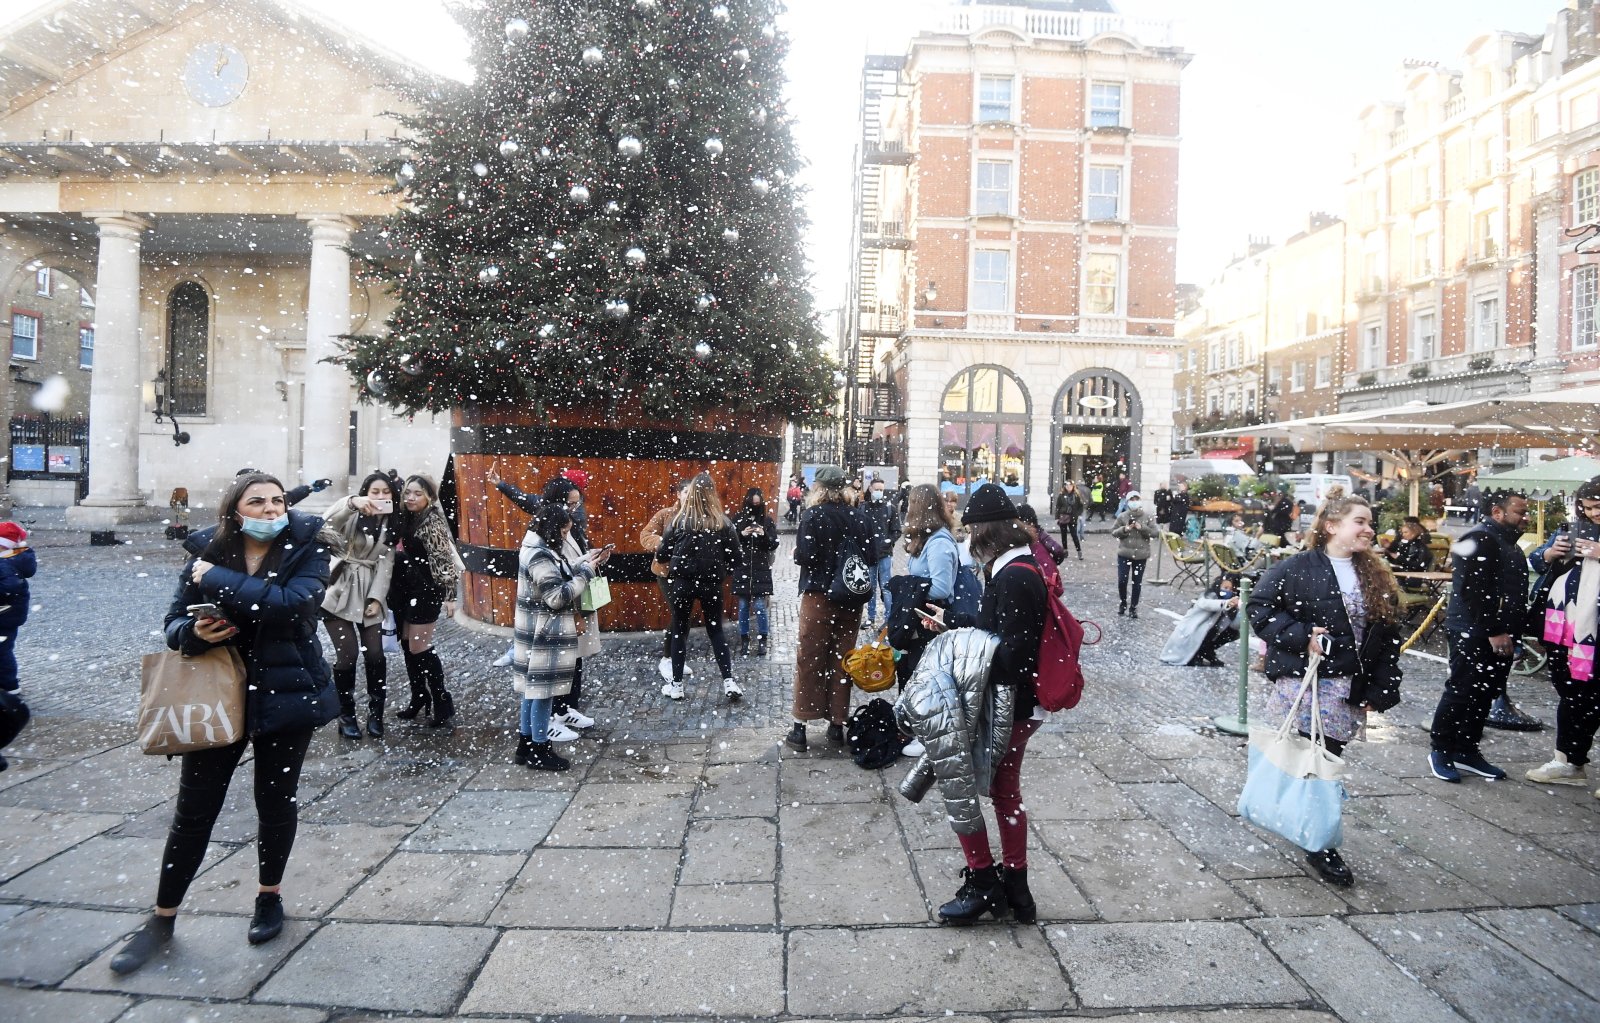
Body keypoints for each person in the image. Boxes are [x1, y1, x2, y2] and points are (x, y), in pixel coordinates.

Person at [110, 473, 338, 975]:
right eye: (256, 501)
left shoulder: (307, 549)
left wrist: (211, 577)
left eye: (277, 500)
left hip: (287, 690)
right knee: (195, 809)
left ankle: (268, 896)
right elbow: (171, 623)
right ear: (235, 510)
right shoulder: (207, 550)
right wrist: (194, 632)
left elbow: (291, 606)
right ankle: (161, 917)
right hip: (218, 695)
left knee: (275, 801)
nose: (269, 508)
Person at [1247, 486, 1403, 887]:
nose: (1369, 529)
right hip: (1308, 680)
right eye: (1361, 522)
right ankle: (1319, 842)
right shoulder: (1299, 566)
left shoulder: (1373, 572)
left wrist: (1382, 686)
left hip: (1349, 685)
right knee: (1315, 758)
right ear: (1332, 526)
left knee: (1323, 758)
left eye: (1370, 523)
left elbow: (1386, 636)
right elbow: (1260, 607)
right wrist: (1301, 635)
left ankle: (1306, 823)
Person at [913, 483, 1049, 924]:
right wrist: (953, 623)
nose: (967, 542)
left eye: (971, 532)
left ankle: (985, 883)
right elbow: (996, 633)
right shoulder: (1015, 570)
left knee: (962, 788)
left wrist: (963, 646)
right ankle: (1015, 889)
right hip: (1012, 704)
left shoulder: (1015, 577)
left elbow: (1010, 654)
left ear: (986, 533)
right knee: (1004, 793)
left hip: (1009, 705)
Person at [1426, 490, 1532, 782]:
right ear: (1497, 512)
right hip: (1473, 632)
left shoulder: (1505, 542)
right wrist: (1493, 630)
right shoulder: (1479, 538)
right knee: (1462, 690)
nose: (1526, 517)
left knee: (1484, 692)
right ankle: (1441, 750)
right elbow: (1473, 591)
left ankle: (1466, 750)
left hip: (1493, 632)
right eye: (1520, 512)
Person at [514, 501, 607, 771]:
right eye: (564, 532)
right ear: (553, 529)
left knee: (532, 692)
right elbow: (556, 596)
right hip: (545, 632)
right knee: (543, 693)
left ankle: (525, 745)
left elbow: (558, 572)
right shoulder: (539, 556)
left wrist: (585, 561)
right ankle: (540, 750)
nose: (566, 537)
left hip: (536, 630)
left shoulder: (537, 548)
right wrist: (586, 573)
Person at [1525, 479, 1600, 791]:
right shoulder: (1573, 528)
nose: (1592, 514)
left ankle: (1570, 760)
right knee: (1571, 693)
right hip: (1564, 624)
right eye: (1586, 508)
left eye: (1597, 507)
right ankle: (1568, 761)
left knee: (1594, 695)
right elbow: (1533, 561)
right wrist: (1549, 554)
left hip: (1593, 627)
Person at [790, 465, 871, 751]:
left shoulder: (813, 515)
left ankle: (800, 727)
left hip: (819, 596)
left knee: (810, 658)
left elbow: (807, 555)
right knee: (842, 659)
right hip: (849, 598)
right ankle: (836, 725)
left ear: (819, 488)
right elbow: (872, 555)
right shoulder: (859, 517)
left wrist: (797, 552)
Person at [320, 473, 398, 740]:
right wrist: (352, 502)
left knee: (375, 654)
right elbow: (325, 524)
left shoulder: (392, 521)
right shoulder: (352, 513)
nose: (380, 497)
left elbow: (386, 564)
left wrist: (377, 598)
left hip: (370, 591)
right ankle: (346, 715)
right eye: (374, 491)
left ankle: (376, 714)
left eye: (385, 491)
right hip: (339, 588)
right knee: (347, 656)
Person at [654, 473, 744, 702]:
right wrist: (722, 569)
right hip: (711, 584)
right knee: (716, 631)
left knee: (680, 631)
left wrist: (678, 556)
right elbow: (737, 557)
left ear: (691, 493)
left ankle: (676, 685)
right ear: (712, 494)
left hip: (682, 584)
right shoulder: (722, 522)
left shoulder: (678, 522)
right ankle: (728, 681)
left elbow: (663, 553)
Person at [389, 474, 460, 728]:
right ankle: (419, 696)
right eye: (408, 492)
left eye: (417, 493)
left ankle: (442, 701)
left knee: (419, 647)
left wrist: (450, 596)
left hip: (427, 591)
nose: (410, 498)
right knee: (408, 645)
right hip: (408, 589)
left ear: (429, 496)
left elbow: (443, 560)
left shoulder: (432, 522)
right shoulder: (407, 516)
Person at [542, 477, 599, 736]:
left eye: (577, 504)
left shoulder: (569, 526)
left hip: (574, 598)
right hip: (561, 606)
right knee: (559, 665)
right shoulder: (546, 534)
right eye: (570, 504)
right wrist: (584, 570)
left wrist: (589, 560)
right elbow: (557, 577)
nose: (574, 509)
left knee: (574, 660)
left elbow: (569, 564)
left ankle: (567, 709)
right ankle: (552, 718)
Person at [642, 478, 693, 685]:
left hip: (689, 573)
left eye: (693, 493)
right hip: (667, 573)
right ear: (679, 494)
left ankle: (676, 656)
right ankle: (667, 658)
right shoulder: (665, 515)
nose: (689, 497)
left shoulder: (699, 516)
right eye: (686, 492)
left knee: (685, 616)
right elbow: (645, 535)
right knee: (679, 614)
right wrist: (664, 543)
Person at [0, 522, 36, 772]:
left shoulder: (4, 564)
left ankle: (10, 686)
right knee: (4, 649)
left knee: (2, 652)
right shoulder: (13, 561)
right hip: (8, 617)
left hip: (3, 616)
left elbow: (9, 589)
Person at [732, 487, 779, 657]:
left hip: (760, 568)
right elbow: (730, 543)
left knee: (759, 605)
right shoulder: (738, 519)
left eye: (758, 503)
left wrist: (763, 534)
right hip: (743, 567)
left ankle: (762, 639)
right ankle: (744, 639)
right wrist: (742, 534)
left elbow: (773, 543)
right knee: (743, 606)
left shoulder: (766, 521)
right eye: (753, 503)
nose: (755, 506)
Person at [1160, 574, 1241, 667]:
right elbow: (1206, 603)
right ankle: (1197, 654)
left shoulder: (1232, 606)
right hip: (1192, 633)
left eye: (1232, 589)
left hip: (1211, 634)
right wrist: (1226, 603)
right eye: (1226, 587)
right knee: (1203, 635)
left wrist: (1241, 609)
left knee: (1233, 633)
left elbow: (1235, 625)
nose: (1228, 591)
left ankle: (1206, 651)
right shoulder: (1210, 596)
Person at [1110, 491, 1160, 618]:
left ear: (1140, 501)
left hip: (1141, 555)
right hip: (1124, 554)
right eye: (1131, 500)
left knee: (1136, 582)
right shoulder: (1122, 516)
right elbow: (1114, 532)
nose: (1134, 502)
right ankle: (1123, 603)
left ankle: (1133, 607)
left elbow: (1155, 533)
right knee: (1122, 581)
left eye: (1136, 499)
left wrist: (1141, 527)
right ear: (1127, 502)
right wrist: (1125, 529)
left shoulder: (1148, 516)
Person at [863, 476, 902, 629]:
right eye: (876, 489)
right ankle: (871, 617)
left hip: (885, 554)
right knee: (870, 587)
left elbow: (896, 531)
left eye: (881, 489)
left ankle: (889, 618)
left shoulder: (889, 508)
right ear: (871, 489)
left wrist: (888, 542)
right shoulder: (864, 508)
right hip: (869, 554)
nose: (879, 492)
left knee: (886, 587)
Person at [1014, 504, 1065, 598]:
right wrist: (1053, 562)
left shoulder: (1017, 538)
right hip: (1051, 580)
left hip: (1036, 582)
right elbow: (1058, 551)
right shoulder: (1039, 533)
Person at [1384, 516, 1432, 591]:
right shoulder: (1405, 545)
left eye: (1406, 532)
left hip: (1413, 578)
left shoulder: (1421, 547)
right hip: (1405, 575)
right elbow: (1397, 561)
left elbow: (1418, 565)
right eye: (1402, 532)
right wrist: (1388, 552)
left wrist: (1398, 558)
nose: (1403, 535)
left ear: (1414, 533)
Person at [1053, 481, 1084, 560]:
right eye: (1067, 485)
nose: (1068, 487)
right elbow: (1058, 507)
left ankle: (1079, 551)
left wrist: (1079, 514)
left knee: (1074, 535)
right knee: (1063, 535)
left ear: (1073, 486)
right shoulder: (1061, 495)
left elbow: (1080, 506)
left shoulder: (1076, 495)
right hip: (1063, 517)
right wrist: (1057, 518)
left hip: (1073, 517)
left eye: (1070, 485)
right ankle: (1065, 551)